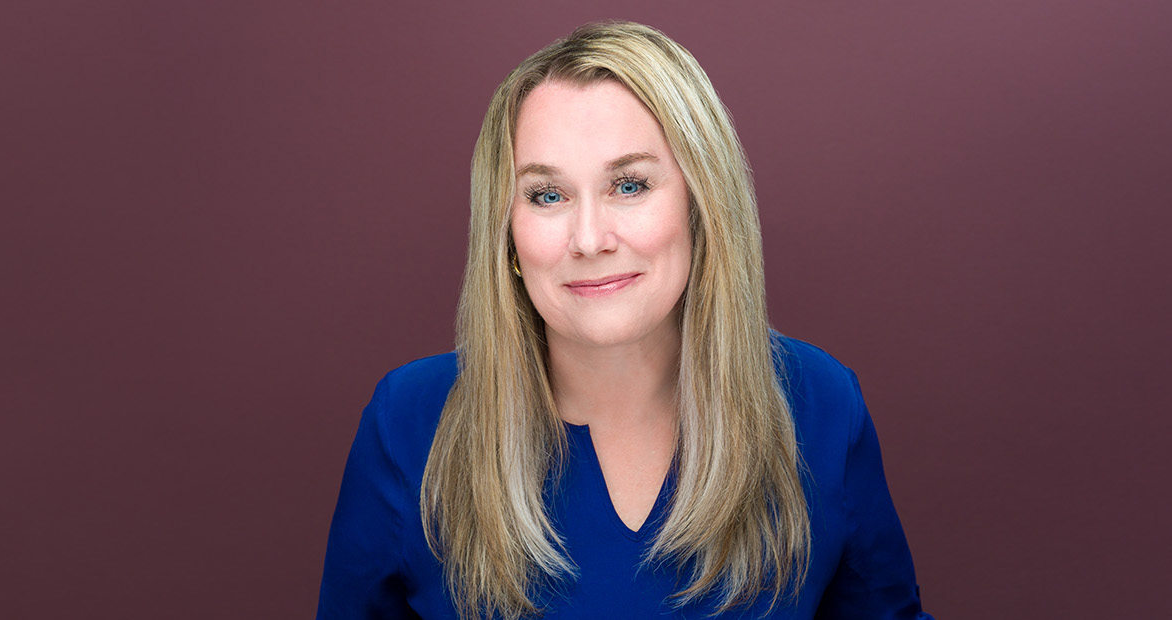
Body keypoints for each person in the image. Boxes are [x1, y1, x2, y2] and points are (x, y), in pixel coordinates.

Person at [317, 20, 932, 620]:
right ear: (506, 235)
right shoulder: (407, 424)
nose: (588, 238)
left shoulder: (820, 405)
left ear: (702, 205)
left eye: (630, 185)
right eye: (547, 195)